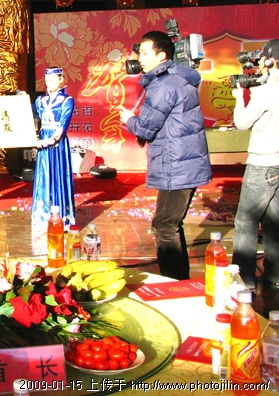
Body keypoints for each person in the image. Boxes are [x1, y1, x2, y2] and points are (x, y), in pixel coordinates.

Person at [119, 31, 212, 280]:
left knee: (164, 226)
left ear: (161, 56)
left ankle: (173, 283)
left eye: (145, 53)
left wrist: (129, 120)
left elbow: (146, 128)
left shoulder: (164, 85)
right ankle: (179, 279)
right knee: (170, 224)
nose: (140, 58)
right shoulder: (177, 79)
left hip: (176, 164)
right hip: (181, 162)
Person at [231, 39, 279, 290]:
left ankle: (243, 281)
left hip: (263, 163)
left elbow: (242, 123)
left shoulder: (267, 90)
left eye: (262, 60)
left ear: (270, 61)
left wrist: (240, 98)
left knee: (246, 222)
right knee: (274, 222)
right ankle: (275, 275)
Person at [31, 67, 76, 228]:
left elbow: (63, 125)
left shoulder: (67, 100)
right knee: (43, 176)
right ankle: (42, 217)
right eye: (47, 80)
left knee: (58, 177)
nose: (49, 83)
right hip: (43, 142)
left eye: (52, 80)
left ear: (61, 80)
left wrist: (49, 141)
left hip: (57, 145)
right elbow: (29, 115)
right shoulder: (40, 100)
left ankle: (61, 217)